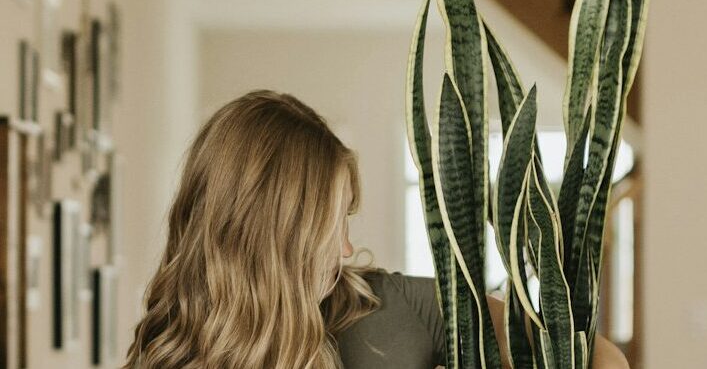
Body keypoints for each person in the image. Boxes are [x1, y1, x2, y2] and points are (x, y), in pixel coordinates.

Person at [124, 90, 629, 369]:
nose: (346, 249)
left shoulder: (386, 304)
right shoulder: (168, 356)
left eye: (348, 220)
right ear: (281, 233)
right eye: (332, 223)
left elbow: (600, 358)